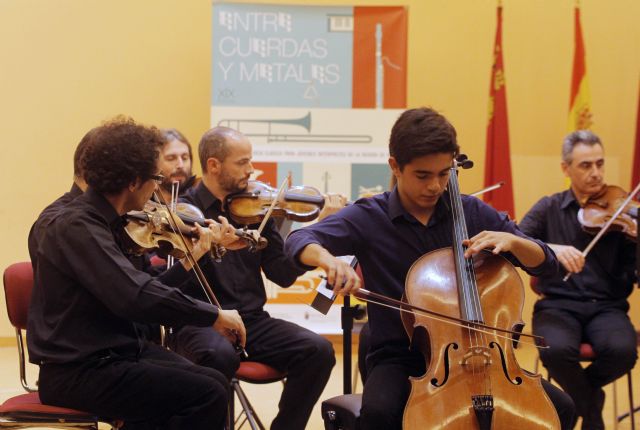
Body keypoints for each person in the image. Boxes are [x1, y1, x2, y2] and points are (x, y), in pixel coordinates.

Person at [284, 107, 577, 430]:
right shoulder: (370, 217)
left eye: (444, 173)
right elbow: (300, 239)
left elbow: (546, 263)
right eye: (423, 175)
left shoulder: (472, 212)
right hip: (400, 358)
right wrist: (327, 260)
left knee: (560, 408)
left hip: (486, 358)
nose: (436, 186)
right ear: (395, 166)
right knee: (379, 414)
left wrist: (515, 242)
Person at [27, 117, 246, 430]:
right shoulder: (74, 225)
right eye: (155, 178)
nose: (158, 187)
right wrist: (213, 315)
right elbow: (134, 296)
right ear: (133, 181)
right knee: (207, 393)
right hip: (79, 370)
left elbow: (144, 288)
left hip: (118, 354)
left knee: (212, 380)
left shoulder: (111, 222)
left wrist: (193, 256)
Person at [169, 126, 336, 430]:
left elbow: (281, 273)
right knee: (217, 355)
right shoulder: (185, 212)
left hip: (251, 322)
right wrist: (207, 247)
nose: (251, 170)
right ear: (214, 165)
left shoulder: (256, 208)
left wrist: (317, 243)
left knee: (319, 352)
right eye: (242, 162)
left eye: (251, 161)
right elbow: (171, 282)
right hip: (200, 321)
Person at [519, 130, 637, 430]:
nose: (596, 173)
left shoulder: (622, 212)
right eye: (585, 165)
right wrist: (552, 249)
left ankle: (581, 397)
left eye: (599, 164)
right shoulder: (549, 208)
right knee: (555, 350)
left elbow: (634, 273)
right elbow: (516, 238)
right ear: (565, 168)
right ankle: (592, 408)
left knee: (624, 351)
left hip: (607, 307)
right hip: (557, 306)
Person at [155, 128, 199, 203]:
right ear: (155, 163)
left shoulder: (198, 197)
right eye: (171, 158)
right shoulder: (143, 198)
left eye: (185, 158)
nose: (180, 165)